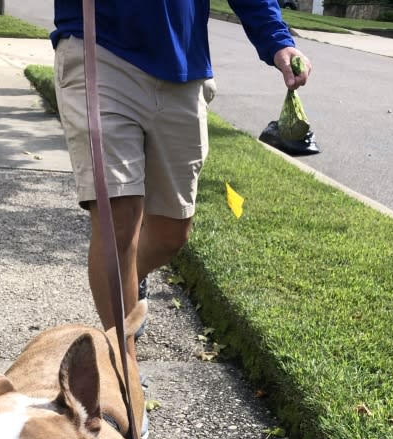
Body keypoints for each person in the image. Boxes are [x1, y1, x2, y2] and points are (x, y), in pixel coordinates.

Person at [52, 1, 311, 331]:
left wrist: (278, 40)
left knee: (171, 234)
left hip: (183, 62)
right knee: (117, 221)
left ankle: (134, 278)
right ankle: (125, 371)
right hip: (100, 48)